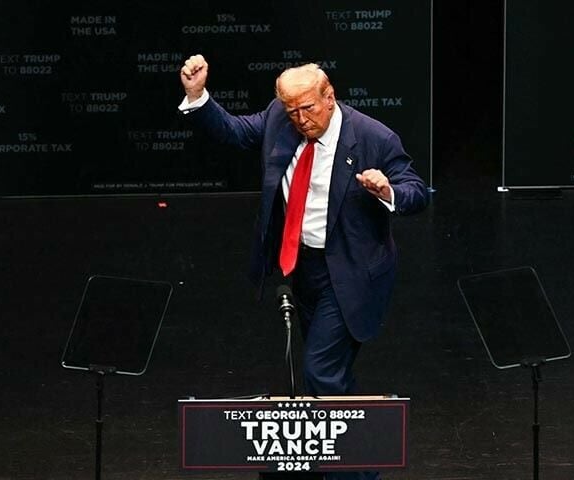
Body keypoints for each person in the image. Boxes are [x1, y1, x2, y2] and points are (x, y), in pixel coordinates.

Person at [178, 55, 429, 480]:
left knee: (320, 370)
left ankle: (354, 475)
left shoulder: (372, 136)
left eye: (308, 108)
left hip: (350, 272)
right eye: (292, 110)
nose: (300, 119)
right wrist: (197, 96)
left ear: (329, 98)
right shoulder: (281, 117)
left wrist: (388, 191)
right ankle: (344, 461)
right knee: (328, 381)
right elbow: (237, 132)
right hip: (301, 268)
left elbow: (416, 191)